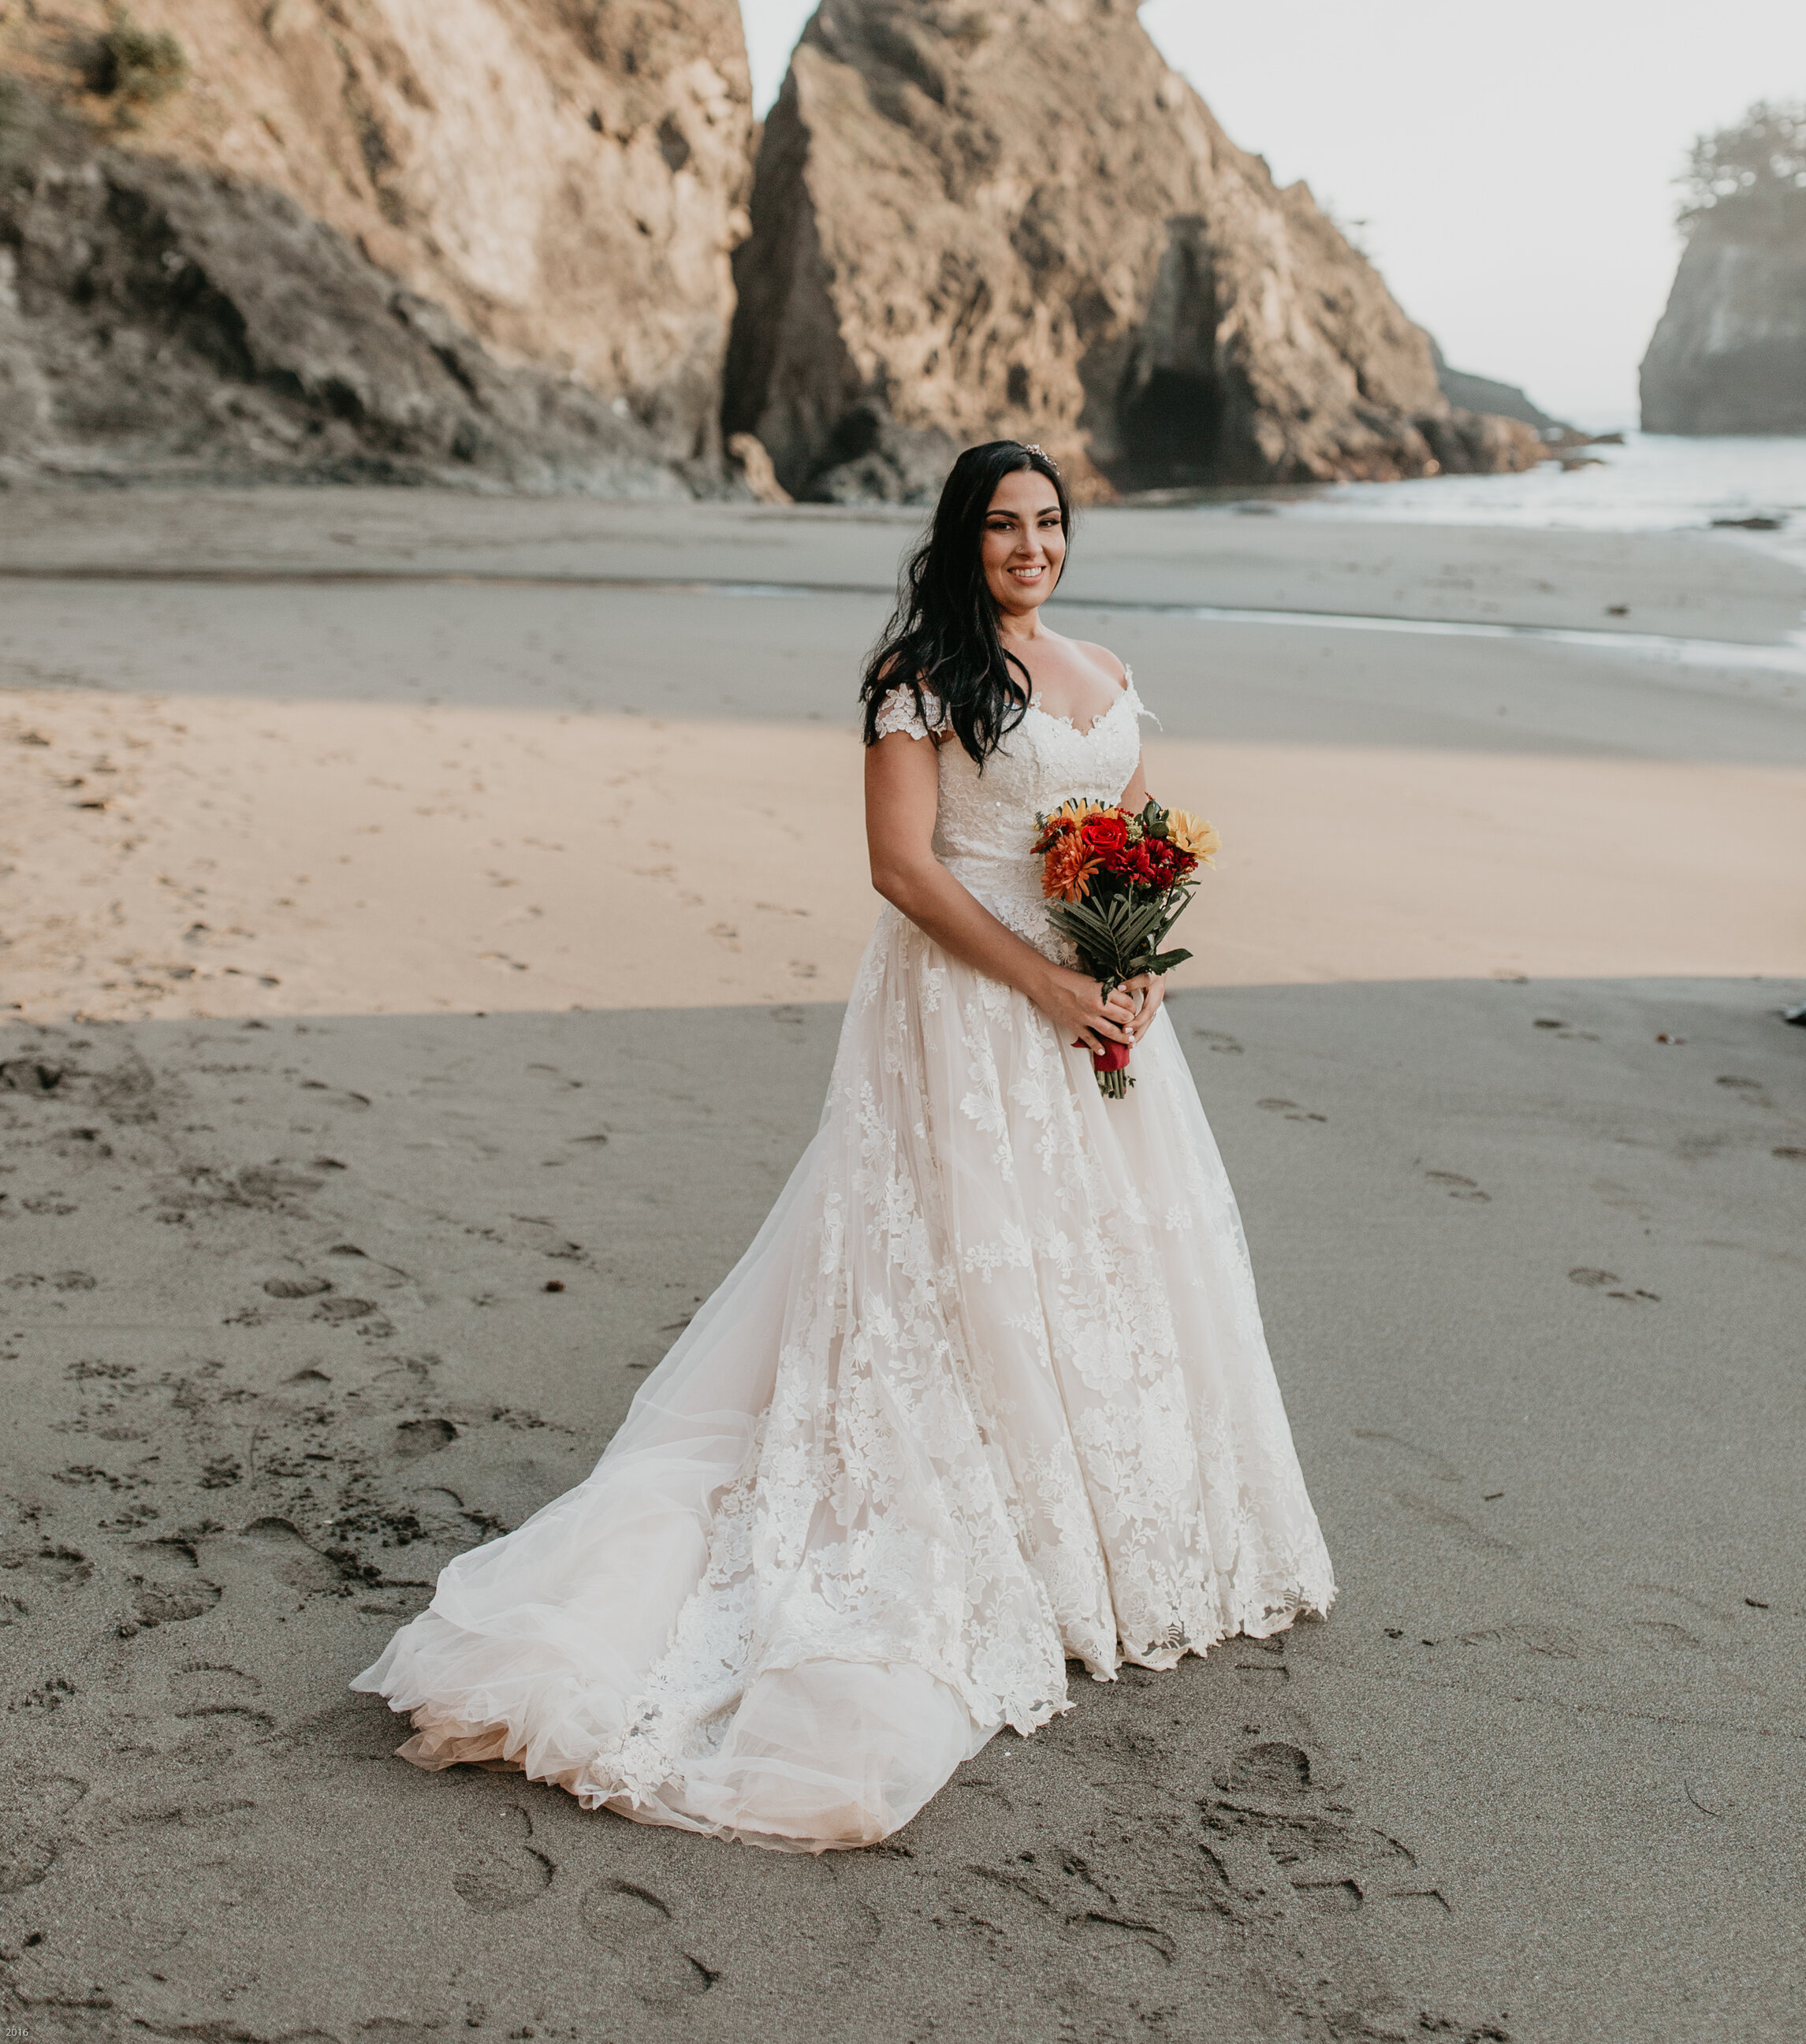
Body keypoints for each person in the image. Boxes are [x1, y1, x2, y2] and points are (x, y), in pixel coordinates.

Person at [353, 439, 1334, 1850]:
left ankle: (1117, 1530)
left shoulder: (1106, 670)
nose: (1030, 547)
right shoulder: (919, 680)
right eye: (1002, 525)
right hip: (971, 1009)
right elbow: (903, 867)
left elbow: (1129, 843)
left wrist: (1137, 970)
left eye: (1049, 523)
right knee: (953, 1265)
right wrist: (1046, 981)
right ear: (960, 537)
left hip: (1097, 1016)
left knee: (1110, 1257)